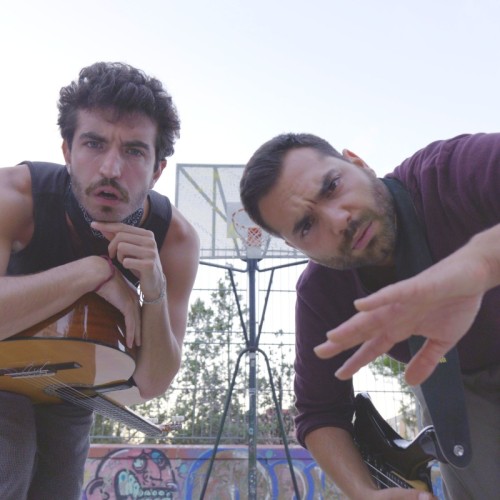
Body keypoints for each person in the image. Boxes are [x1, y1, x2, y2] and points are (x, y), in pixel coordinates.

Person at [240, 132, 500, 499]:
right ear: (295, 247)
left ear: (358, 163)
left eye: (332, 187)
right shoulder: (321, 293)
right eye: (306, 225)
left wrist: (483, 261)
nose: (338, 220)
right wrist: (364, 493)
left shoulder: (455, 171)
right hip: (457, 383)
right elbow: (319, 412)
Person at [0, 62, 200, 500]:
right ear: (67, 150)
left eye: (134, 151)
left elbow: (151, 383)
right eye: (93, 143)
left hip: (69, 385)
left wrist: (153, 291)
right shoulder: (13, 195)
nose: (110, 168)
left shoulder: (175, 238)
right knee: (10, 455)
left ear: (157, 169)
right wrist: (94, 272)